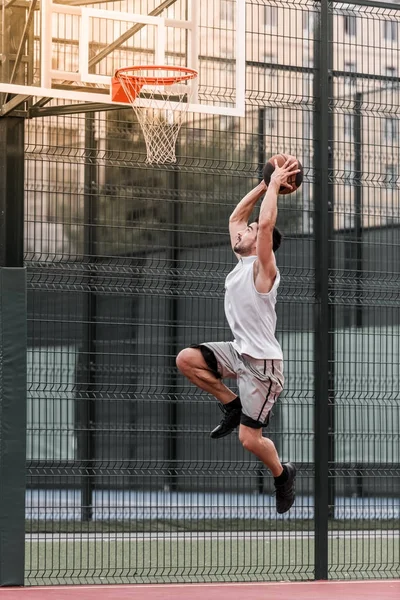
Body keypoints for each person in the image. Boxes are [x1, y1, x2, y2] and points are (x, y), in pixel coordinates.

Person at [176, 157, 299, 514]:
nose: (242, 232)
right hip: (238, 352)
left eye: (251, 232)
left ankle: (282, 474)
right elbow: (235, 217)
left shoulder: (264, 269)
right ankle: (231, 405)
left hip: (263, 366)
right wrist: (263, 184)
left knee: (249, 439)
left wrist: (276, 184)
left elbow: (265, 223)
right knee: (187, 359)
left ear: (261, 242)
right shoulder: (241, 261)